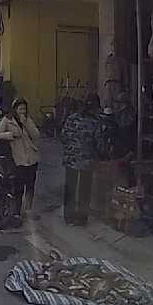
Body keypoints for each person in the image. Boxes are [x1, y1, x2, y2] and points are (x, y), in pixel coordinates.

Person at [0, 98, 41, 224]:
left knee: (30, 186)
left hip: (31, 157)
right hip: (18, 158)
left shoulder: (28, 120)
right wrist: (10, 135)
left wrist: (26, 123)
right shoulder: (7, 120)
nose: (22, 111)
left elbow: (36, 135)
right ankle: (16, 212)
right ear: (15, 109)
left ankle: (28, 210)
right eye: (20, 109)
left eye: (24, 109)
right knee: (18, 186)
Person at [61, 95, 102, 225]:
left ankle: (68, 216)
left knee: (70, 187)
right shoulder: (95, 122)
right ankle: (81, 218)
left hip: (70, 159)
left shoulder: (71, 118)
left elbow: (63, 136)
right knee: (85, 189)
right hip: (87, 161)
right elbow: (99, 143)